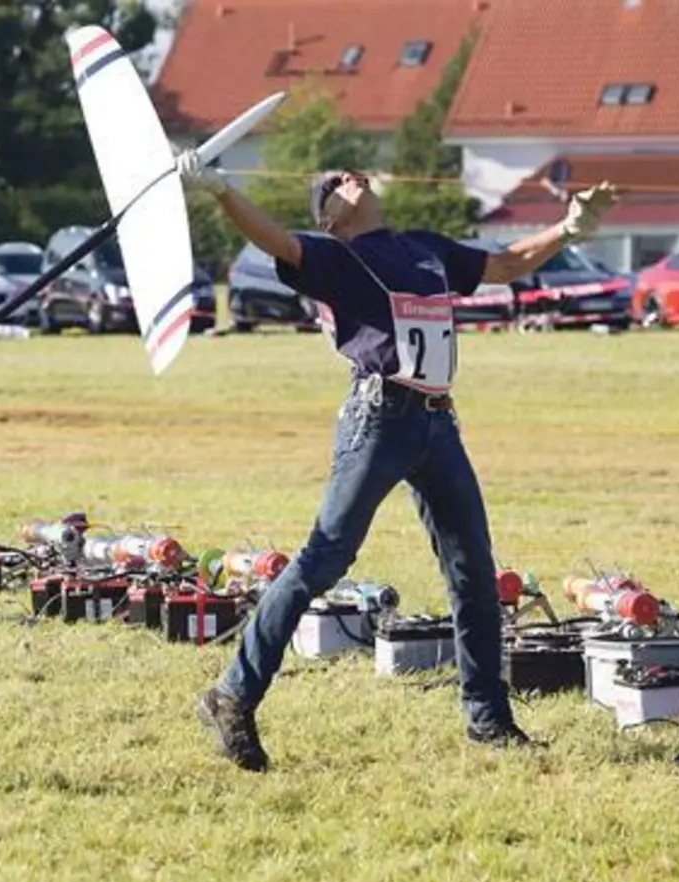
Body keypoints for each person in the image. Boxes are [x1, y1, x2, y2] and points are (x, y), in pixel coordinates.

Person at [176, 150, 619, 772]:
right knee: (323, 558)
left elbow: (506, 264)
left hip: (438, 422)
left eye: (352, 173)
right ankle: (231, 695)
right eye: (332, 183)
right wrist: (222, 191)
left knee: (474, 573)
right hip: (377, 419)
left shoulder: (422, 247)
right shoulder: (335, 257)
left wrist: (570, 228)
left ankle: (487, 719)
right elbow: (276, 239)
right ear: (328, 217)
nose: (349, 177)